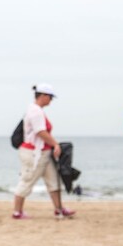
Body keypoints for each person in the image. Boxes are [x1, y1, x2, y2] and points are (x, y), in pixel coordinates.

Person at [11, 84, 75, 220]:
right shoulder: (35, 111)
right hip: (34, 154)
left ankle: (59, 209)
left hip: (43, 153)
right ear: (43, 95)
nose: (51, 100)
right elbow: (40, 131)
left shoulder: (35, 109)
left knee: (53, 180)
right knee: (27, 179)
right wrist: (55, 144)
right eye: (50, 97)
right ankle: (17, 211)